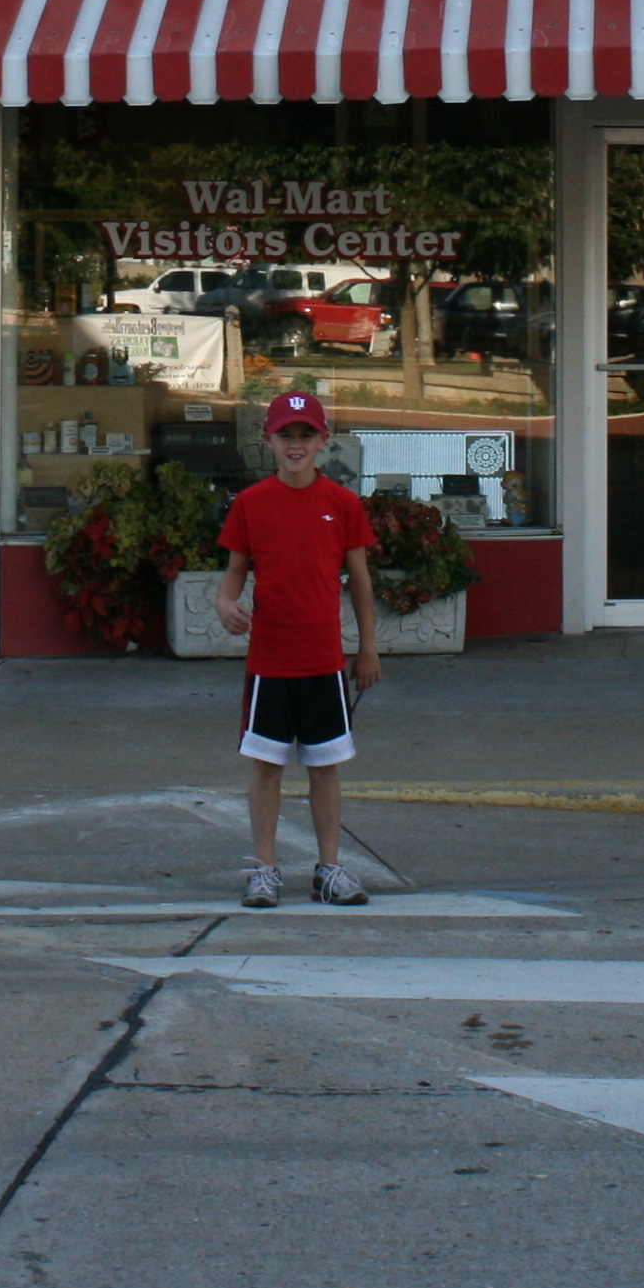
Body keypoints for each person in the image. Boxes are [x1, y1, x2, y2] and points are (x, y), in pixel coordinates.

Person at [212, 387, 379, 908]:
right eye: (286, 435)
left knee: (325, 767)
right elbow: (234, 571)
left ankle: (329, 867)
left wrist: (368, 648)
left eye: (307, 434)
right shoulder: (251, 504)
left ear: (324, 440)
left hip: (324, 660)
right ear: (270, 440)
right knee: (267, 766)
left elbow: (360, 580)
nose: (296, 444)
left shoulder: (342, 504)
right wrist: (225, 603)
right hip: (270, 660)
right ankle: (264, 869)